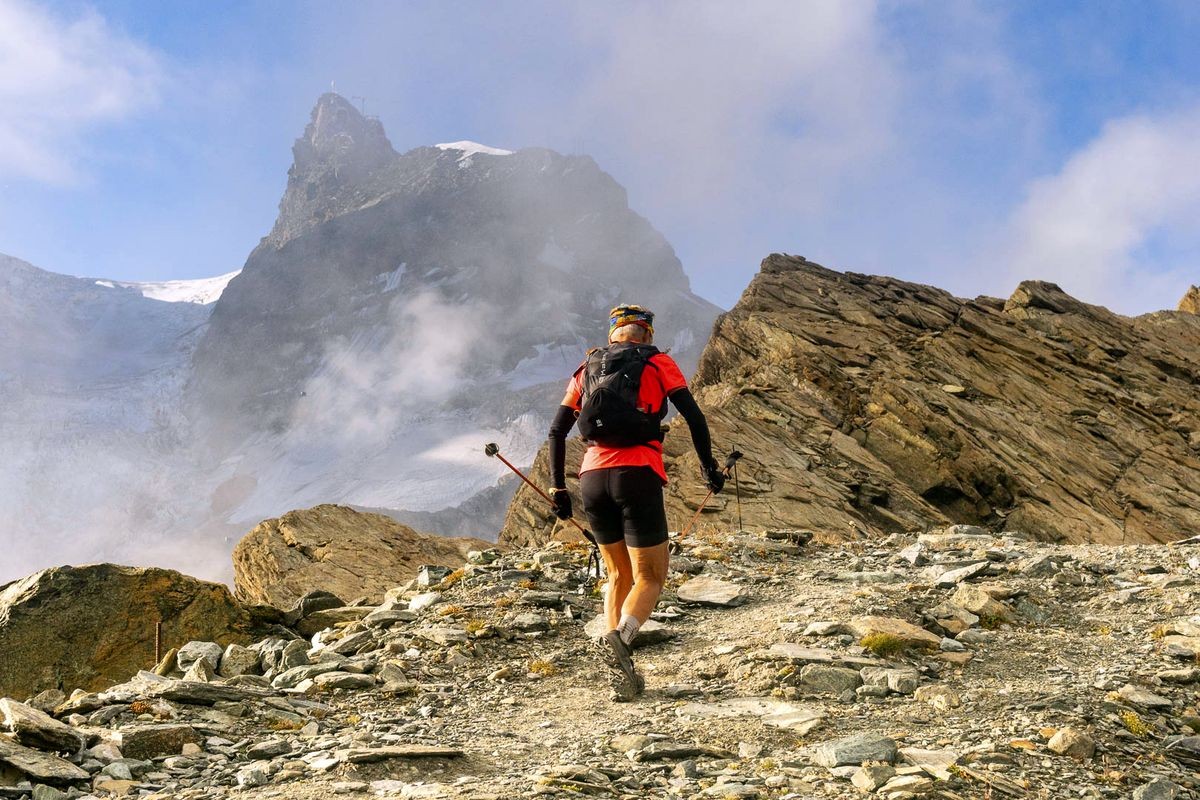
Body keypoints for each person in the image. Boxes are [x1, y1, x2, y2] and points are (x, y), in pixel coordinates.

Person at [547, 304, 724, 701]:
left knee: (617, 575)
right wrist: (709, 468)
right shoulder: (658, 362)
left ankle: (620, 671)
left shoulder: (586, 368)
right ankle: (621, 640)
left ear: (613, 334)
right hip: (638, 473)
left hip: (592, 478)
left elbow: (557, 431)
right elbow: (694, 416)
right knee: (650, 576)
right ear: (646, 333)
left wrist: (559, 489)